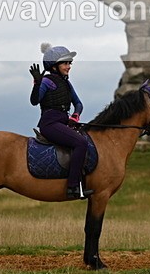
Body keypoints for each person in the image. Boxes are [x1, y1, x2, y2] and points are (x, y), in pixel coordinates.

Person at [29, 43, 94, 200]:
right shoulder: (45, 82)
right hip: (49, 124)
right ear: (54, 66)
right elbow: (34, 100)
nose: (69, 66)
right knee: (81, 143)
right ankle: (73, 187)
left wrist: (75, 116)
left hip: (63, 123)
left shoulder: (66, 83)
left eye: (70, 63)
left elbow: (78, 104)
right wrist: (37, 84)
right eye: (65, 63)